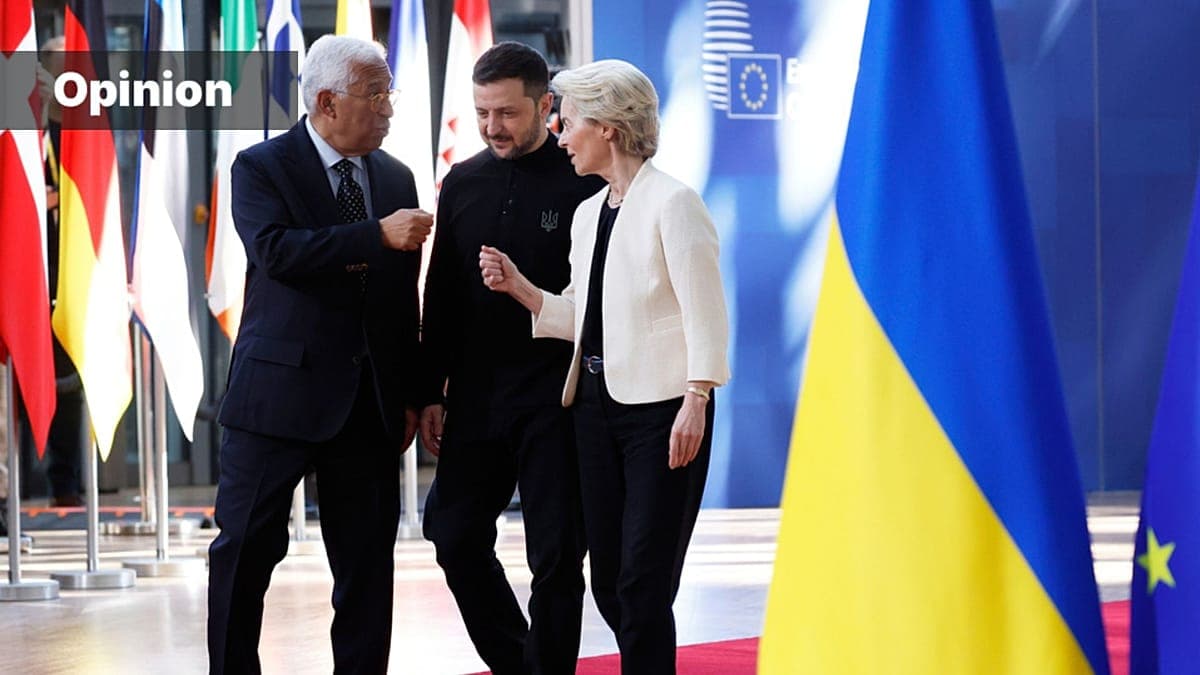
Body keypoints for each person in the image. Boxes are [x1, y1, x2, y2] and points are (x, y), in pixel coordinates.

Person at [479, 59, 731, 673]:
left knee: (643, 582)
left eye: (569, 124)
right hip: (593, 410)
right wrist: (521, 289)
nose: (561, 137)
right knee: (611, 579)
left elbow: (706, 313)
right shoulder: (589, 212)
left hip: (663, 413)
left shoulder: (674, 203)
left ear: (608, 128)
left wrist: (696, 398)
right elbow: (585, 316)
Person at [206, 35, 433, 674]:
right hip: (276, 398)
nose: (388, 108)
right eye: (375, 94)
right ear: (327, 102)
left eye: (389, 93)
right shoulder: (261, 166)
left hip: (367, 404)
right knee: (244, 553)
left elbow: (402, 298)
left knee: (366, 568)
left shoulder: (395, 176)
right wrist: (374, 235)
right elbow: (276, 252)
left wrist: (413, 392)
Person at [418, 42, 604, 674]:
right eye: (481, 113)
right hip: (475, 397)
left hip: (556, 396)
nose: (492, 127)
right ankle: (520, 663)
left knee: (556, 556)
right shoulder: (462, 182)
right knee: (452, 534)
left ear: (545, 105)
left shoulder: (584, 179)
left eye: (507, 113)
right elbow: (441, 292)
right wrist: (431, 390)